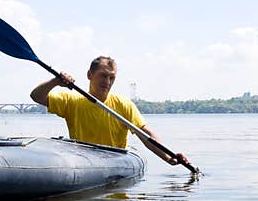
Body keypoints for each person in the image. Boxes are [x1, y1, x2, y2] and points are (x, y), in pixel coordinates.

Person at [30, 56, 190, 167]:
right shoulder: (71, 101)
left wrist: (169, 158)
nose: (107, 82)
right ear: (89, 75)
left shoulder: (123, 105)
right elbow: (36, 96)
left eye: (112, 77)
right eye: (103, 76)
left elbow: (146, 135)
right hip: (83, 161)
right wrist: (55, 81)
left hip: (115, 161)